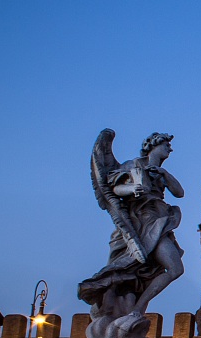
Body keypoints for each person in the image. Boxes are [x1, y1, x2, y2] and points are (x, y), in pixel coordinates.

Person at [79, 131, 185, 321]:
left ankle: (138, 307)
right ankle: (130, 308)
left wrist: (164, 173)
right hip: (139, 222)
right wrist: (132, 189)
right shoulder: (133, 165)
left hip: (159, 221)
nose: (170, 148)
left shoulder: (161, 173)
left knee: (175, 269)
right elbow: (114, 189)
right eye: (166, 144)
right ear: (153, 146)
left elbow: (179, 192)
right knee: (155, 267)